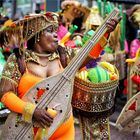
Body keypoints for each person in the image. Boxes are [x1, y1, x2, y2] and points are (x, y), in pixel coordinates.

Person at [0, 11, 121, 140]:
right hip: (27, 132)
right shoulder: (18, 60)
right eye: (50, 31)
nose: (56, 36)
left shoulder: (64, 55)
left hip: (63, 130)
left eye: (55, 31)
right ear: (36, 35)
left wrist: (106, 32)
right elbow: (5, 94)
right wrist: (32, 111)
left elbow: (89, 54)